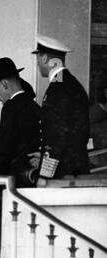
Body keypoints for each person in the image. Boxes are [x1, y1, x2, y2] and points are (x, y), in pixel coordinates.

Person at [31, 35, 91, 178]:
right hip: (73, 167)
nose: (38, 63)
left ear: (44, 58)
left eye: (38, 58)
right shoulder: (67, 83)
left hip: (64, 173)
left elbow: (56, 136)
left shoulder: (58, 89)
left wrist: (45, 175)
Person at [0, 57, 40, 186]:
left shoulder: (10, 107)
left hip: (15, 181)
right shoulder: (33, 106)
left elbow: (5, 153)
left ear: (4, 84)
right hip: (32, 179)